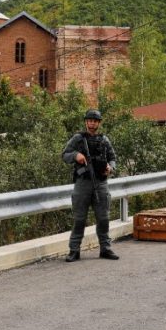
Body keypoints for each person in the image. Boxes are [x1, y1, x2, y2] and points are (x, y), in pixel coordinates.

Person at [62, 109, 118, 262]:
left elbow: (113, 158)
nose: (92, 123)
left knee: (103, 218)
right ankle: (74, 251)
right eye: (89, 120)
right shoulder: (78, 138)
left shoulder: (104, 140)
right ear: (86, 122)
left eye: (95, 121)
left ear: (99, 123)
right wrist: (76, 155)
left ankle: (105, 249)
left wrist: (110, 168)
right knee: (79, 219)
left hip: (100, 183)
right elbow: (64, 155)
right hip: (83, 183)